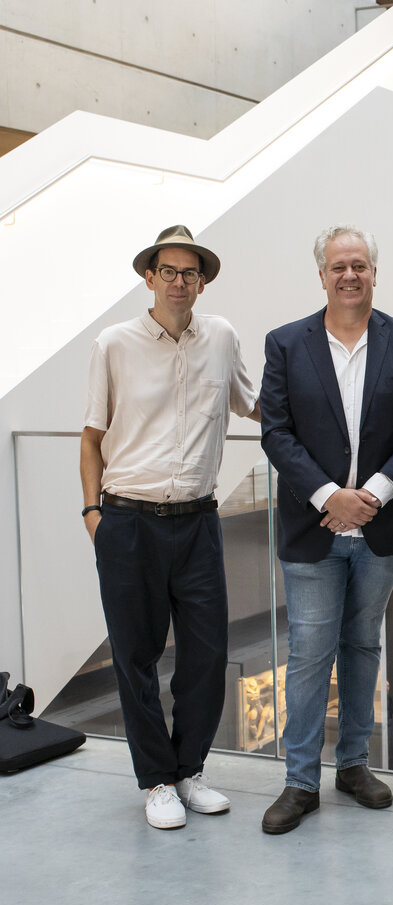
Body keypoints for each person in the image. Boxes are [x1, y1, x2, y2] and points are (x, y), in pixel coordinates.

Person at [258, 224, 393, 834]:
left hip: (380, 530)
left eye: (359, 265)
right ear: (322, 275)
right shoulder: (286, 343)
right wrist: (331, 497)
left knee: (363, 647)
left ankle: (353, 765)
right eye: (339, 266)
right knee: (310, 652)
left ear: (374, 272)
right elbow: (276, 433)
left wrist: (373, 496)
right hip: (314, 529)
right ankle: (300, 781)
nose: (350, 275)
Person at [81, 224, 260, 830]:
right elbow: (91, 436)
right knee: (134, 656)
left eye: (191, 273)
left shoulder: (222, 338)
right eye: (169, 271)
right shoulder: (114, 343)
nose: (179, 281)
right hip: (128, 521)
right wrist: (92, 515)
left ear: (202, 282)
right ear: (149, 276)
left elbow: (253, 403)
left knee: (208, 655)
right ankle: (156, 779)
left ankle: (189, 770)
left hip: (198, 522)